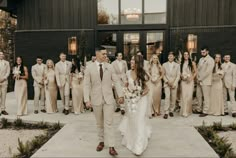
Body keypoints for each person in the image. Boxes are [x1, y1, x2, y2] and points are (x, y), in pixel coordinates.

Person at [83, 46, 124, 156]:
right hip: (96, 99)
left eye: (106, 54)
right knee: (99, 123)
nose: (106, 55)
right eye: (104, 54)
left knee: (109, 123)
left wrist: (120, 95)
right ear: (97, 55)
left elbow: (116, 81)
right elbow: (86, 84)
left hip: (108, 99)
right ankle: (101, 141)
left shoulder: (110, 67)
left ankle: (111, 146)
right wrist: (87, 99)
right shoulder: (89, 68)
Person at [119, 55, 151, 156]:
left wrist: (139, 95)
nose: (131, 61)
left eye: (133, 60)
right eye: (131, 60)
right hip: (131, 101)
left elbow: (147, 89)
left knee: (139, 121)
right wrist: (125, 95)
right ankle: (131, 141)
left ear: (138, 62)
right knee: (132, 121)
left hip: (141, 101)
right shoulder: (128, 73)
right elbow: (125, 86)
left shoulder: (143, 73)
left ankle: (138, 147)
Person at [196, 46, 215, 117]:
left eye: (203, 52)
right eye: (201, 52)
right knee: (198, 96)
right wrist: (197, 78)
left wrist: (200, 78)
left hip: (206, 81)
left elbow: (208, 72)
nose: (202, 53)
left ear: (207, 51)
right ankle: (199, 109)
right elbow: (197, 69)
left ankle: (205, 111)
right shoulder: (200, 59)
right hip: (199, 80)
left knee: (206, 97)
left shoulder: (211, 60)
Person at [162, 52, 180, 119]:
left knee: (173, 97)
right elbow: (163, 75)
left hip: (174, 84)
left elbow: (178, 75)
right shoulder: (164, 65)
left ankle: (171, 111)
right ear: (168, 57)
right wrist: (167, 81)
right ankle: (166, 112)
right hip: (167, 83)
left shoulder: (177, 65)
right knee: (167, 97)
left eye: (171, 56)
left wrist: (174, 83)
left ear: (174, 57)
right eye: (169, 56)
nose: (170, 57)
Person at [179, 52, 197, 117]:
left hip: (190, 81)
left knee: (189, 96)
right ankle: (184, 111)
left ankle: (188, 111)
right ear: (183, 56)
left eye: (187, 54)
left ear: (189, 56)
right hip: (183, 82)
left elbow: (195, 72)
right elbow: (180, 72)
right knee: (184, 96)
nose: (186, 55)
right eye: (184, 54)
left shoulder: (192, 63)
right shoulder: (181, 63)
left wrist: (191, 78)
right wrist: (182, 77)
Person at [0, 51, 10, 115]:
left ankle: (3, 110)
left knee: (4, 96)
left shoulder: (7, 63)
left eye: (2, 54)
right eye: (0, 54)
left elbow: (8, 72)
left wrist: (4, 78)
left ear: (3, 55)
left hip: (4, 81)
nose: (1, 55)